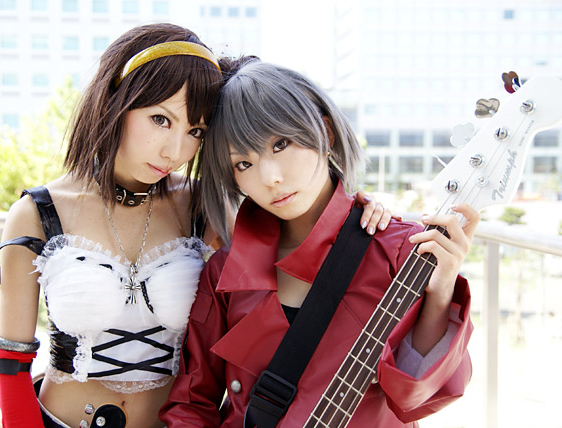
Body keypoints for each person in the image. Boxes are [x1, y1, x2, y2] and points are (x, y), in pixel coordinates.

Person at [0, 24, 392, 428]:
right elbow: (11, 363)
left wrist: (359, 212)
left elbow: (292, 219)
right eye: (160, 119)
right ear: (116, 100)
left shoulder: (203, 206)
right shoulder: (38, 212)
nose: (175, 151)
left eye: (195, 130)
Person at [159, 59, 481, 428]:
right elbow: (192, 402)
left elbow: (416, 397)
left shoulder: (400, 249)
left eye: (281, 144)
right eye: (243, 164)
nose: (271, 177)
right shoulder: (223, 273)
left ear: (325, 133)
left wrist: (441, 292)